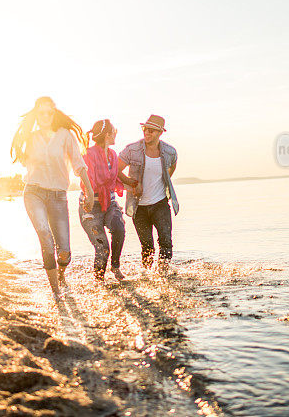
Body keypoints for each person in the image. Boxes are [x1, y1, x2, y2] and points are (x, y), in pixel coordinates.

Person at [11, 97, 94, 301]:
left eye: (49, 112)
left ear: (54, 114)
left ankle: (62, 274)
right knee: (45, 235)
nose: (45, 116)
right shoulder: (30, 138)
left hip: (58, 196)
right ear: (36, 115)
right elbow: (23, 160)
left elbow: (78, 163)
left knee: (64, 250)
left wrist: (90, 191)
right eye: (41, 113)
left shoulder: (65, 135)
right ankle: (56, 291)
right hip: (34, 192)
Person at [79, 119, 138, 282]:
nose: (116, 134)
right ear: (107, 135)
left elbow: (112, 181)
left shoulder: (112, 154)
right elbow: (87, 181)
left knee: (119, 228)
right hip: (90, 206)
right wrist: (90, 196)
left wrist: (131, 186)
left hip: (110, 203)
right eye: (114, 131)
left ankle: (115, 266)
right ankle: (99, 281)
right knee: (102, 247)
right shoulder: (87, 155)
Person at [118, 114, 179, 272]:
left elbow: (171, 168)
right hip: (139, 207)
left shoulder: (170, 152)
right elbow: (115, 170)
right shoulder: (132, 150)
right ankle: (147, 276)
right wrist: (131, 183)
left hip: (160, 204)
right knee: (147, 247)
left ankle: (163, 275)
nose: (147, 133)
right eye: (145, 129)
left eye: (151, 130)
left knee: (166, 241)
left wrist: (163, 182)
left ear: (160, 132)